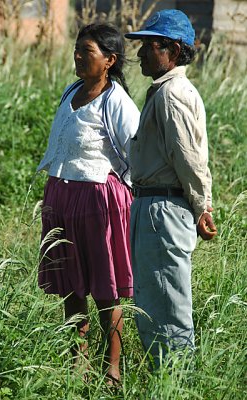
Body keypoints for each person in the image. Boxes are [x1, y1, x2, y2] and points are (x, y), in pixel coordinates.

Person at [37, 23, 140, 383]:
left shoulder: (117, 102)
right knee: (71, 285)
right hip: (62, 196)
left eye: (87, 51)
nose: (78, 55)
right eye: (77, 49)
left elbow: (137, 154)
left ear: (110, 60)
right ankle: (77, 366)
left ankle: (112, 370)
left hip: (99, 200)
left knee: (105, 289)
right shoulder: (71, 91)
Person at [125, 9, 217, 368]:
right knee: (153, 302)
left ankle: (177, 383)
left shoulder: (171, 94)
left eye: (151, 46)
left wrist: (202, 207)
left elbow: (188, 159)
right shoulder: (165, 90)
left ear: (174, 51)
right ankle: (163, 380)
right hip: (152, 207)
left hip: (163, 209)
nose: (141, 54)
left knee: (168, 306)